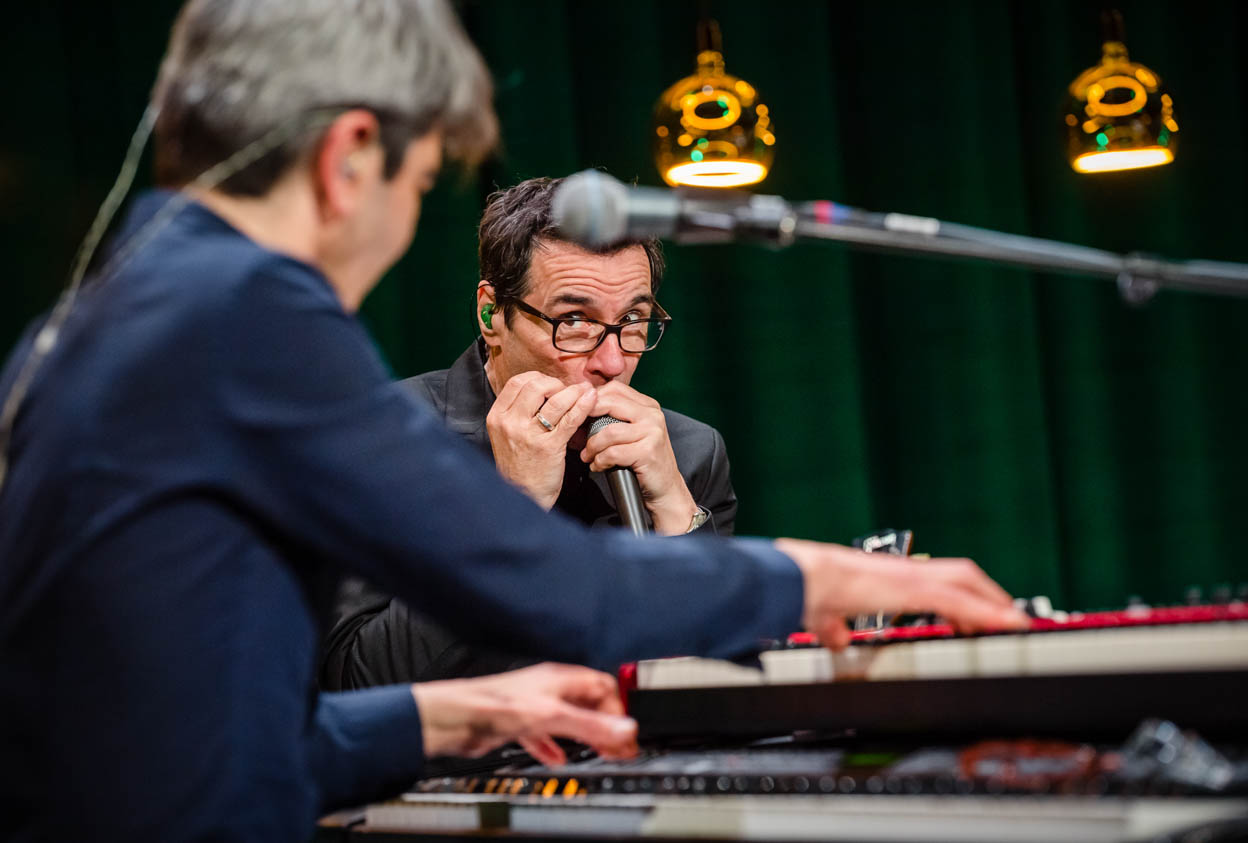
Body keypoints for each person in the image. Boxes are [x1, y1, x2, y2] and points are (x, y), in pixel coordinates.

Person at [0, 1, 1027, 840]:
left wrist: (448, 713)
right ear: (349, 157)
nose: (402, 224)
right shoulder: (247, 312)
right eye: (416, 183)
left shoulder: (95, 320)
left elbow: (194, 742)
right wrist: (820, 576)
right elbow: (545, 582)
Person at [323, 176, 739, 688]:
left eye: (633, 318)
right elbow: (356, 678)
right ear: (491, 314)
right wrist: (509, 512)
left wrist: (676, 511)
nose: (612, 362)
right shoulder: (377, 440)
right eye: (575, 320)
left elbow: (719, 681)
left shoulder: (690, 452)